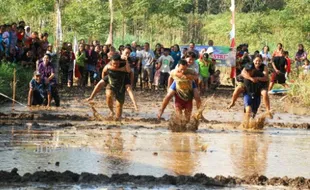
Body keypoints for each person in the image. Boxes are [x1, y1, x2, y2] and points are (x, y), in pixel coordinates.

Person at [103, 54, 131, 120]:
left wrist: (126, 61)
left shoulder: (124, 65)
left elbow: (129, 71)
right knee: (109, 95)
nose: (116, 65)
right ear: (111, 62)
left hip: (121, 86)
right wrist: (104, 80)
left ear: (120, 62)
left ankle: (118, 121)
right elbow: (104, 71)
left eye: (117, 63)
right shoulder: (108, 65)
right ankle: (111, 111)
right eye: (114, 63)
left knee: (118, 113)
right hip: (111, 83)